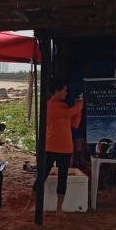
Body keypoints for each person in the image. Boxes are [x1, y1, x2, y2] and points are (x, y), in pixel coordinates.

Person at [40, 81, 84, 212]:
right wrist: (79, 106)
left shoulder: (65, 106)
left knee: (63, 178)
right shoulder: (49, 105)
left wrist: (78, 111)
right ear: (56, 91)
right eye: (64, 90)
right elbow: (66, 114)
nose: (66, 93)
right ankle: (32, 204)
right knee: (42, 176)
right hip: (50, 146)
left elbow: (75, 124)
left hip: (65, 147)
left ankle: (59, 208)